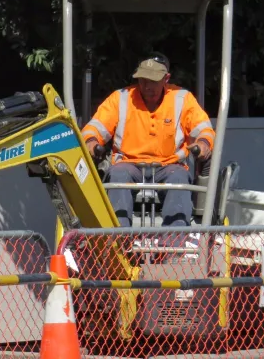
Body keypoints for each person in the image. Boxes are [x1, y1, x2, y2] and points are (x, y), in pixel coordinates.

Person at [82, 53, 216, 228]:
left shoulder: (182, 98)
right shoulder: (121, 98)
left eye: (153, 80)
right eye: (143, 79)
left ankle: (174, 246)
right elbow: (93, 128)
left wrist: (203, 144)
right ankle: (117, 245)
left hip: (170, 166)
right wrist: (92, 142)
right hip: (128, 163)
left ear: (166, 78)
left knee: (179, 179)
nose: (147, 86)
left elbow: (204, 129)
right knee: (118, 175)